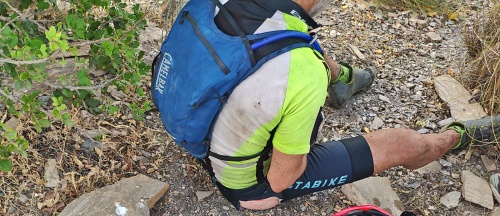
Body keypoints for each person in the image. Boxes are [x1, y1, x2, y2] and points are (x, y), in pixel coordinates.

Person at [198, 0, 500, 211]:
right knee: (402, 143)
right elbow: (281, 178)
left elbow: (290, 43)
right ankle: (459, 136)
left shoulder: (220, 4)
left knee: (296, 40)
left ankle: (345, 78)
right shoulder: (302, 72)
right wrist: (299, 129)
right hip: (249, 184)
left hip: (196, 135)